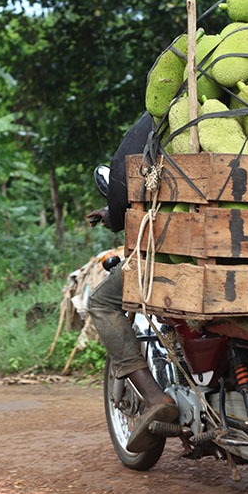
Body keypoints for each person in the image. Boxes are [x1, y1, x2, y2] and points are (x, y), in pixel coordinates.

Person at [86, 113, 178, 453]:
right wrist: (113, 213)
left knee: (101, 302)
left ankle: (154, 396)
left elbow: (124, 185)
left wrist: (114, 210)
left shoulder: (167, 117)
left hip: (174, 258)